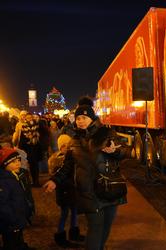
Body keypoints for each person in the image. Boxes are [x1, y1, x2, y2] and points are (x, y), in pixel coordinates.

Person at [44, 96, 130, 250]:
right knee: (95, 230)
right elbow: (66, 166)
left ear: (92, 118)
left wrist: (115, 151)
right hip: (89, 193)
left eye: (84, 117)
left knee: (105, 229)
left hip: (109, 189)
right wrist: (54, 181)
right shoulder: (74, 141)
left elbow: (125, 152)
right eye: (78, 118)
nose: (80, 121)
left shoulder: (107, 133)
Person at [48, 134, 83, 248]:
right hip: (64, 193)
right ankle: (60, 235)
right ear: (61, 147)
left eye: (70, 146)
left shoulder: (70, 158)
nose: (68, 148)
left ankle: (74, 233)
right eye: (66, 146)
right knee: (64, 214)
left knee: (74, 213)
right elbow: (60, 177)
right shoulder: (57, 160)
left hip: (72, 191)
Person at [0, 147, 35, 250]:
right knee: (11, 243)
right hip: (10, 223)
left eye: (19, 160)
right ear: (4, 165)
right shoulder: (3, 181)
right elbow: (2, 205)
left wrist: (26, 211)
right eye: (13, 162)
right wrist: (13, 219)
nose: (18, 163)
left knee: (18, 239)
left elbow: (19, 197)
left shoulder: (14, 176)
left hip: (17, 219)